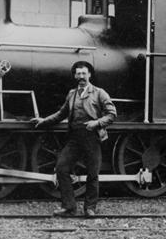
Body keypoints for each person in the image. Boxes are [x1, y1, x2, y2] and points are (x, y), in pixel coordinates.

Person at [32, 61, 116, 217]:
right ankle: (69, 207)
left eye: (84, 73)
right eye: (78, 74)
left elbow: (112, 114)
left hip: (92, 137)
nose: (81, 77)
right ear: (74, 76)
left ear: (90, 74)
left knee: (93, 174)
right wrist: (44, 121)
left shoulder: (99, 93)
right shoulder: (72, 94)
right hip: (75, 138)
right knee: (62, 168)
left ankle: (90, 208)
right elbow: (61, 114)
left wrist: (96, 123)